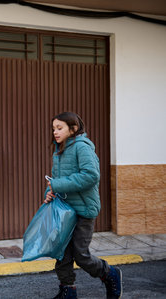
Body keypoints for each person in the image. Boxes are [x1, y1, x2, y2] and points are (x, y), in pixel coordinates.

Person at [44, 112, 122, 299]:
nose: (55, 132)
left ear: (74, 128)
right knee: (62, 253)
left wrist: (57, 184)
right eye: (54, 128)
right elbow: (59, 180)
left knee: (81, 255)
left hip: (83, 210)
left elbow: (91, 176)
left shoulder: (82, 147)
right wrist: (50, 193)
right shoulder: (59, 150)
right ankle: (67, 291)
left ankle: (110, 274)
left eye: (59, 128)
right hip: (65, 210)